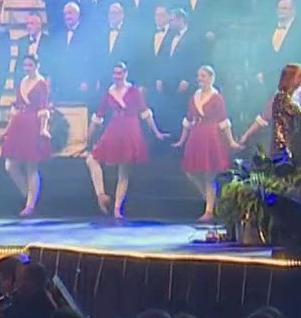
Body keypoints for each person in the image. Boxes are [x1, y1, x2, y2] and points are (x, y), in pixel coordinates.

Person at [85, 62, 166, 220]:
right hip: (115, 129)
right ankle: (101, 195)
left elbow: (145, 113)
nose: (117, 76)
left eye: (120, 73)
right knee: (91, 160)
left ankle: (117, 209)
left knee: (124, 170)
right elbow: (98, 116)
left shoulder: (134, 91)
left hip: (130, 129)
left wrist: (156, 132)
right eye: (115, 73)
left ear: (126, 74)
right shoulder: (109, 93)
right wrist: (88, 135)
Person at [175, 64, 238, 222]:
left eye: (203, 76)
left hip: (211, 137)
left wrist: (231, 141)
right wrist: (181, 141)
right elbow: (188, 120)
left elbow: (224, 120)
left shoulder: (216, 98)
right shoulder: (195, 97)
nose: (200, 79)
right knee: (191, 171)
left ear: (211, 78)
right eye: (199, 76)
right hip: (196, 136)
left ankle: (209, 210)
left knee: (209, 174)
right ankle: (212, 203)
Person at [0, 53, 52, 217]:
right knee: (10, 165)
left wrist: (43, 129)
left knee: (31, 166)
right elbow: (16, 106)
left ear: (37, 65)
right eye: (25, 65)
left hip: (32, 123)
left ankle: (30, 205)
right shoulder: (21, 82)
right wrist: (7, 129)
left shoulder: (42, 83)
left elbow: (43, 109)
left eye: (30, 65)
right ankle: (28, 196)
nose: (27, 68)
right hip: (19, 123)